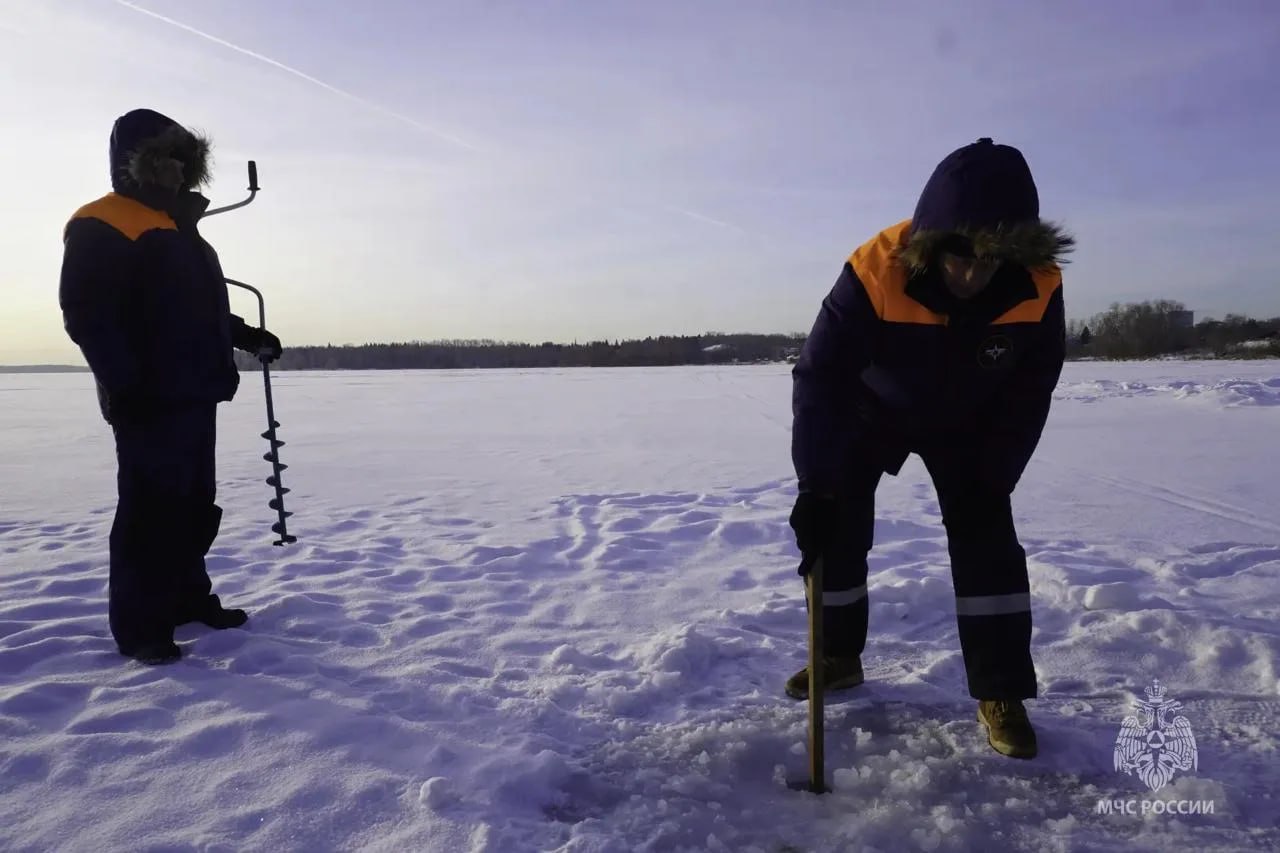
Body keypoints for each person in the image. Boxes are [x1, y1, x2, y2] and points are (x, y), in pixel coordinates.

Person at [786, 137, 1073, 759]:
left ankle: (1000, 690)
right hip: (871, 410)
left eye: (989, 260)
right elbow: (820, 377)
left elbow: (1031, 385)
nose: (971, 274)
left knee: (986, 536)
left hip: (971, 419)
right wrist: (817, 485)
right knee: (836, 526)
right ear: (931, 243)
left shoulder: (1039, 284)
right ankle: (836, 655)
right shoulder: (875, 268)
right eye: (958, 256)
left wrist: (995, 473)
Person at [59, 108, 283, 665]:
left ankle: (186, 599)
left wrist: (246, 336)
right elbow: (87, 315)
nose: (181, 171)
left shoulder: (176, 228)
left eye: (186, 161)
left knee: (193, 505)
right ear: (143, 163)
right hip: (147, 398)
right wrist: (126, 386)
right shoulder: (103, 221)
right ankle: (141, 627)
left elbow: (197, 307)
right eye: (170, 160)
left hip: (195, 391)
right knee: (149, 513)